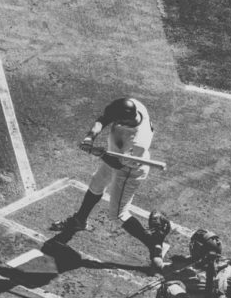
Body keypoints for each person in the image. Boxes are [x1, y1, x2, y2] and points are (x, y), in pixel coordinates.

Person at [50, 97, 166, 271]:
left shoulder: (138, 143)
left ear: (125, 119)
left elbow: (119, 164)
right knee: (97, 183)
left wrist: (100, 154)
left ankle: (153, 242)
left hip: (128, 171)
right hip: (114, 155)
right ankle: (79, 220)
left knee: (118, 214)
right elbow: (103, 119)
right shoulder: (135, 106)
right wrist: (90, 137)